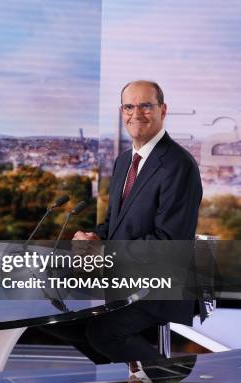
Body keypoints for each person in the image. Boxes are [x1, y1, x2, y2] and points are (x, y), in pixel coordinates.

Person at [46, 80, 203, 363]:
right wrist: (92, 239)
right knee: (55, 317)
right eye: (129, 106)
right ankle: (136, 374)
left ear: (163, 110)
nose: (136, 113)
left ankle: (167, 379)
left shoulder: (179, 165)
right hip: (123, 277)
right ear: (122, 112)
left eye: (146, 105)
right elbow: (113, 223)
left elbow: (169, 242)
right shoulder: (123, 162)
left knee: (104, 333)